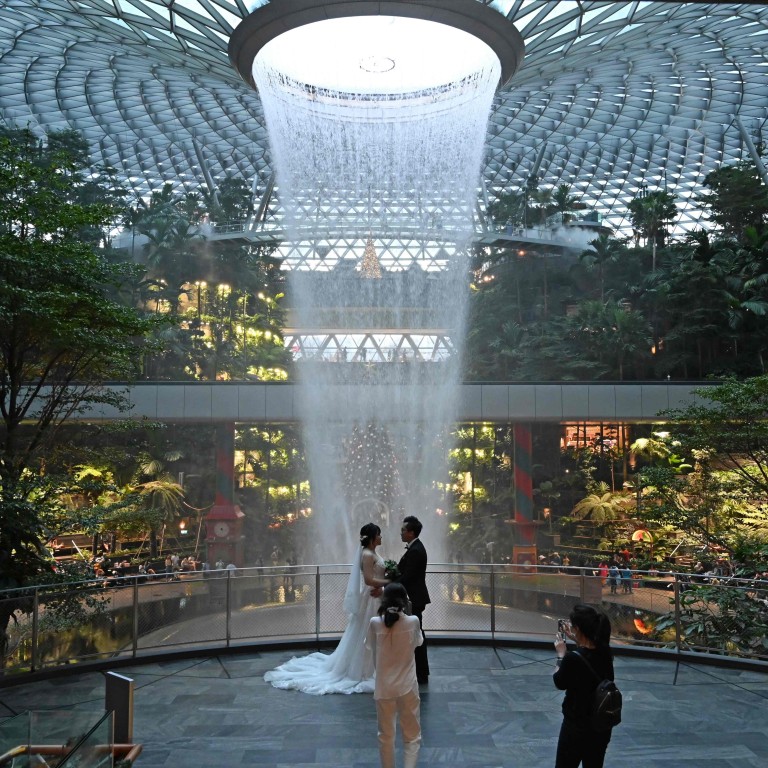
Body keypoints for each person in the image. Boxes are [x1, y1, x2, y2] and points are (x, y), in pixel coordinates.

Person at [264, 522, 391, 694]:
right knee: (365, 632)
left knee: (368, 631)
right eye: (379, 534)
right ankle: (364, 669)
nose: (381, 537)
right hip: (371, 597)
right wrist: (390, 582)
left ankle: (375, 666)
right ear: (372, 537)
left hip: (377, 596)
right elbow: (369, 580)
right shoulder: (368, 554)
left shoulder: (372, 552)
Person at [366, 583, 423, 768]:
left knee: (385, 736)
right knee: (412, 736)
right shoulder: (413, 621)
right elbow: (418, 643)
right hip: (408, 686)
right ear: (405, 601)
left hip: (384, 687)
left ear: (384, 600)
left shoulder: (375, 623)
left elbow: (369, 646)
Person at [553, 604, 615, 768]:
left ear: (578, 629)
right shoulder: (606, 653)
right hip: (600, 727)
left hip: (576, 727)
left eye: (573, 627)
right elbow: (589, 650)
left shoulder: (572, 659)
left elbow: (559, 681)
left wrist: (561, 655)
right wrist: (576, 638)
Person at [396, 515, 430, 684]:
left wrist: (390, 584)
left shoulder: (416, 550)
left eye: (403, 530)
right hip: (414, 598)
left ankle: (421, 673)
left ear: (411, 532)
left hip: (414, 599)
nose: (400, 533)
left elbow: (407, 577)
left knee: (417, 635)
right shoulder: (414, 548)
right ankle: (419, 671)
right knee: (416, 633)